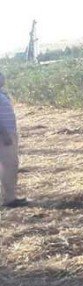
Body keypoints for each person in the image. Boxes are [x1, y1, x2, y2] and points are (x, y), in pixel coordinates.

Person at [0, 72, 24, 207]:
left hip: (8, 133)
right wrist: (3, 134)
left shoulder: (2, 93)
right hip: (4, 135)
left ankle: (11, 196)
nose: (3, 78)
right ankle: (9, 199)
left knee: (11, 165)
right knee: (7, 165)